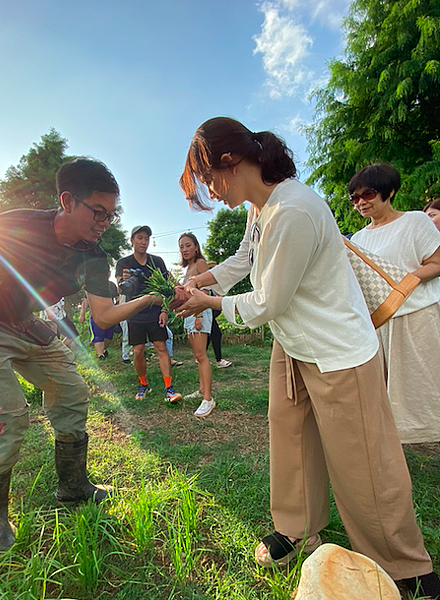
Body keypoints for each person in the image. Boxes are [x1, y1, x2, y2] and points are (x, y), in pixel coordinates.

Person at [175, 117, 440, 599]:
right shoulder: (261, 209)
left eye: (209, 178)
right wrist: (200, 281)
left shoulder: (293, 209)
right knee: (291, 438)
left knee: (364, 461)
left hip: (338, 351)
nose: (211, 192)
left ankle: (404, 565)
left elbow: (266, 302)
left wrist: (208, 304)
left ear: (232, 161)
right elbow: (243, 261)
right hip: (294, 344)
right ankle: (296, 528)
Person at [0, 158, 167, 552]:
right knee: (7, 412)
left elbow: (103, 315)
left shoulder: (94, 256)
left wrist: (150, 297)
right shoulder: (14, 228)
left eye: (110, 216)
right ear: (66, 200)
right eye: (97, 212)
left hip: (21, 322)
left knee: (73, 389)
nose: (103, 223)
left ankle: (73, 486)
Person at [349, 164, 440, 443]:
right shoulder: (360, 237)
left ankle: (430, 432)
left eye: (368, 194)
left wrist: (402, 284)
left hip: (417, 314)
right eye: (354, 197)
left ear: (389, 192)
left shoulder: (415, 221)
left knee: (423, 381)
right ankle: (391, 441)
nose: (361, 202)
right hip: (378, 320)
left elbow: (436, 263)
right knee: (381, 385)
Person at [115, 226, 181, 403]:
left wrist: (165, 310)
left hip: (155, 311)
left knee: (161, 347)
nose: (144, 242)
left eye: (146, 239)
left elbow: (166, 289)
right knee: (138, 350)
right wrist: (124, 280)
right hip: (134, 312)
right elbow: (120, 288)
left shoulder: (157, 261)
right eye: (140, 238)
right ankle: (143, 384)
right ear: (132, 240)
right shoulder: (123, 263)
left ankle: (169, 388)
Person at [179, 233, 215, 417]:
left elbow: (205, 290)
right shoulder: (188, 268)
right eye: (181, 247)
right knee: (197, 356)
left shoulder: (201, 263)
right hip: (191, 314)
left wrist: (199, 315)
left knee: (201, 356)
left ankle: (208, 398)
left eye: (187, 245)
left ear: (195, 246)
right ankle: (201, 390)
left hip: (200, 312)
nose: (184, 249)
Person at [79, 281, 118, 360]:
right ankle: (100, 355)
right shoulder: (91, 286)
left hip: (110, 314)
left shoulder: (111, 285)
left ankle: (103, 350)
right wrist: (82, 314)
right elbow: (85, 301)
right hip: (95, 314)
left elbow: (117, 298)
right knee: (98, 335)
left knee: (109, 336)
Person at [205, 260, 232, 368]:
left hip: (212, 313)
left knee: (209, 335)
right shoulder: (206, 285)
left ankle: (201, 356)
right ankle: (219, 360)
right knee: (216, 334)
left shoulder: (215, 285)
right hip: (207, 313)